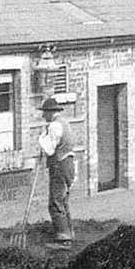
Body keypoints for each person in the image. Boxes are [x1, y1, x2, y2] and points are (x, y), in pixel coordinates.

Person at [38, 97, 77, 249]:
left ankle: (63, 239)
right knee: (62, 200)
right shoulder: (64, 123)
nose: (43, 116)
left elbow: (49, 149)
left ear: (50, 112)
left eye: (44, 113)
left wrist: (41, 138)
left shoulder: (54, 126)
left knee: (55, 202)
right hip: (67, 165)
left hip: (60, 166)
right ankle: (69, 232)